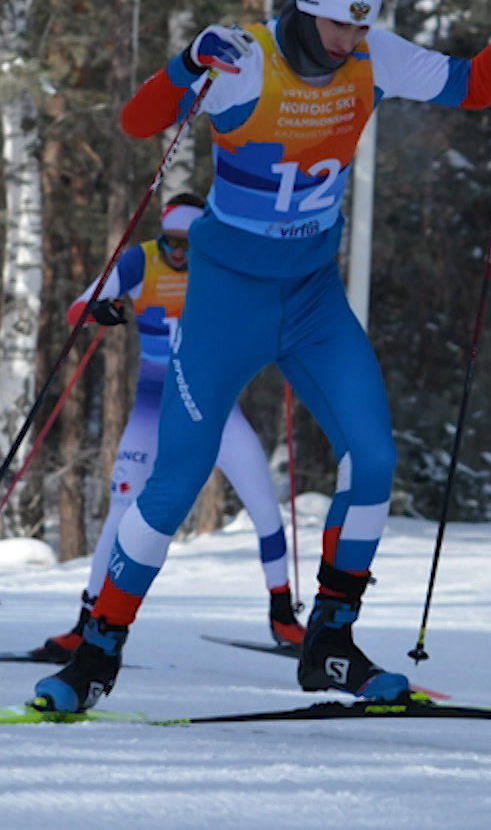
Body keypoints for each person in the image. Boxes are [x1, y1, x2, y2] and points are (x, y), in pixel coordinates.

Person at [32, 0, 491, 712]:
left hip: (311, 298)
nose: (348, 41)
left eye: (360, 26)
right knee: (175, 479)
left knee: (372, 458)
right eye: (337, 26)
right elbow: (140, 120)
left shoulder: (374, 57)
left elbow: (476, 87)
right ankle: (96, 653)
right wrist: (187, 63)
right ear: (308, 9)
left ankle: (330, 643)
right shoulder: (245, 62)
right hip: (224, 300)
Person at [38, 194, 303, 664]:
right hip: (153, 410)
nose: (178, 255)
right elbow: (77, 308)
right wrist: (99, 310)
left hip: (216, 411)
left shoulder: (222, 263)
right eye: (170, 244)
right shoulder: (142, 259)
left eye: (188, 245)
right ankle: (86, 623)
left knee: (265, 507)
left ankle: (284, 617)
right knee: (122, 509)